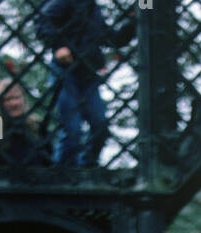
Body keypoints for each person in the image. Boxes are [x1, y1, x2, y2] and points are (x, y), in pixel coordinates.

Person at [34, 0, 136, 167]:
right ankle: (63, 173)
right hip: (66, 71)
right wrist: (58, 46)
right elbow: (42, 20)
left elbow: (112, 39)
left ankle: (85, 167)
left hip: (87, 73)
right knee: (72, 128)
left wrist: (133, 21)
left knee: (100, 127)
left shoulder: (93, 8)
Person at [0, 79, 52, 168]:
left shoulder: (37, 126)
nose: (14, 103)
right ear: (1, 103)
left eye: (17, 97)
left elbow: (49, 160)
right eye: (8, 99)